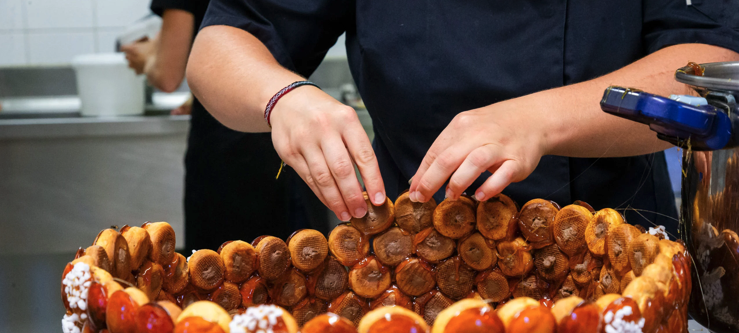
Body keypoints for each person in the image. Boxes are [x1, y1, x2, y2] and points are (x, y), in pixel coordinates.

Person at [186, 1, 739, 237]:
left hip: (613, 252)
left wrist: (540, 119)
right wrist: (283, 96)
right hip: (410, 262)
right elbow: (218, 46)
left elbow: (717, 66)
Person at [120, 0, 328, 250]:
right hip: (296, 134)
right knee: (301, 270)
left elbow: (168, 74)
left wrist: (147, 59)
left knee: (222, 275)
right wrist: (206, 92)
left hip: (230, 156)